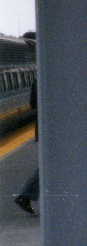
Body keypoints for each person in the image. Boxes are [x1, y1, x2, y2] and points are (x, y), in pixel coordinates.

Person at [14, 80, 39, 215]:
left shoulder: (39, 79)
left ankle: (26, 195)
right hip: (55, 128)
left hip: (44, 124)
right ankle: (25, 195)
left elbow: (32, 104)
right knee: (52, 163)